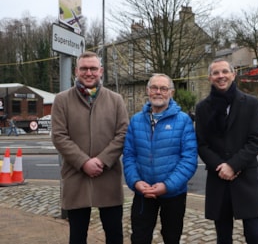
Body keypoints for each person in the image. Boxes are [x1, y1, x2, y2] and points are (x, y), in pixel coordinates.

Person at [51, 51, 129, 244]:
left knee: (114, 235)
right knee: (77, 236)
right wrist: (83, 162)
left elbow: (123, 134)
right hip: (76, 177)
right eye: (84, 68)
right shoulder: (62, 100)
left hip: (108, 177)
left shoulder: (116, 100)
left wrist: (102, 161)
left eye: (93, 68)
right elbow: (59, 136)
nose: (89, 72)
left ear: (101, 71)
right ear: (76, 71)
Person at [195, 58, 258, 244]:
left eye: (225, 72)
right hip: (219, 180)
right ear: (210, 77)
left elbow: (255, 140)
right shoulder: (202, 108)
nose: (221, 76)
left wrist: (233, 165)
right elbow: (201, 144)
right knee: (223, 238)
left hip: (245, 178)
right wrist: (220, 166)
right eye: (216, 73)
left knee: (255, 235)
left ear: (233, 75)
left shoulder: (250, 103)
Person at [122, 73, 198, 244]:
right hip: (143, 192)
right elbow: (129, 155)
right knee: (139, 237)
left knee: (172, 238)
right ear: (148, 91)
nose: (158, 92)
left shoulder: (183, 121)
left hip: (173, 193)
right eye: (154, 88)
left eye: (163, 88)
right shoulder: (136, 121)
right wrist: (135, 182)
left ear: (171, 92)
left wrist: (167, 185)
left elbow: (189, 159)